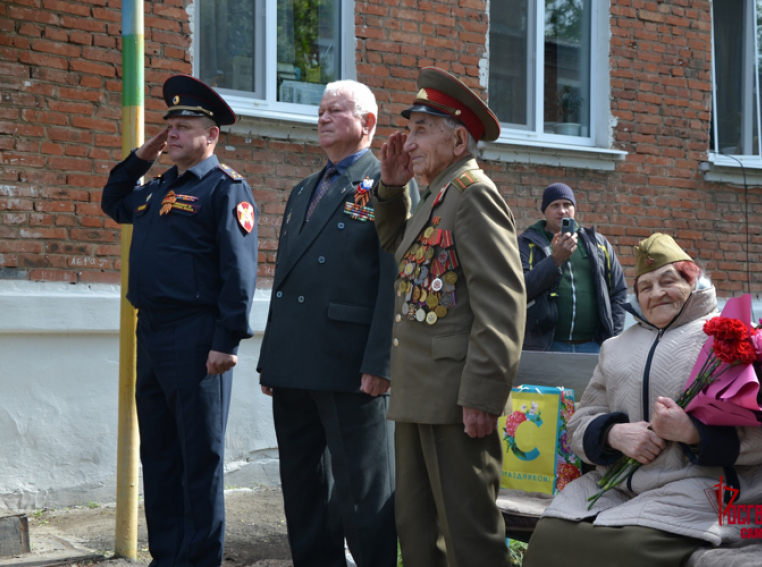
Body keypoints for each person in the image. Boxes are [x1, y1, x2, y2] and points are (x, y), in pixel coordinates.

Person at [522, 233, 762, 567]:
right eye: (645, 286)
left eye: (668, 281)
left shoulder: (735, 337)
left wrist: (693, 432)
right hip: (616, 487)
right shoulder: (615, 347)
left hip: (703, 490)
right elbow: (580, 420)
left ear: (692, 282)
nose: (656, 293)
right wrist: (612, 434)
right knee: (549, 539)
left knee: (627, 551)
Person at [256, 80, 416, 567]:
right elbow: (287, 278)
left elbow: (394, 278)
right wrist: (272, 359)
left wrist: (381, 361)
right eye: (321, 110)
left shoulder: (385, 183)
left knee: (363, 497)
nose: (323, 118)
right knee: (302, 491)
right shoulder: (305, 187)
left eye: (336, 111)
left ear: (367, 123)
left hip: (351, 367)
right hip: (295, 364)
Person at [101, 74, 258, 567]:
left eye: (184, 126)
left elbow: (239, 270)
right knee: (161, 455)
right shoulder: (155, 187)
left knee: (200, 459)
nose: (172, 134)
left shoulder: (224, 188)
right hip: (152, 332)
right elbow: (112, 200)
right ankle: (167, 556)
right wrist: (144, 153)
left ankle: (199, 559)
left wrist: (226, 339)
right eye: (169, 125)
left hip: (197, 338)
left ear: (211, 136)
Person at [374, 67, 526, 567]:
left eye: (421, 129)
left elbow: (501, 305)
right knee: (417, 533)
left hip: (457, 401)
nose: (407, 141)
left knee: (469, 537)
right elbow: (399, 252)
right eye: (410, 127)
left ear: (458, 139)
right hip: (419, 391)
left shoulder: (472, 194)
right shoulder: (437, 195)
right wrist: (391, 190)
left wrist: (482, 395)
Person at [518, 182, 627, 353]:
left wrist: (612, 338)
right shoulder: (528, 243)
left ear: (574, 208)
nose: (562, 210)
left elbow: (618, 292)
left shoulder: (598, 244)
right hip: (546, 346)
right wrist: (555, 260)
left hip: (593, 346)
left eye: (567, 204)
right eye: (555, 205)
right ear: (544, 210)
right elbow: (520, 289)